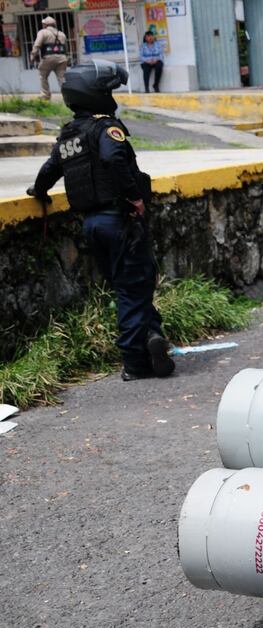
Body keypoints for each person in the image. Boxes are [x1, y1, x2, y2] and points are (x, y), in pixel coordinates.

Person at [27, 60, 175, 382]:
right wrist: (134, 198)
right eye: (107, 90)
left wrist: (38, 192)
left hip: (92, 225)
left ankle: (151, 335)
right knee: (133, 286)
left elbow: (49, 171)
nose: (111, 95)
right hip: (119, 220)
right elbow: (112, 158)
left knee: (129, 286)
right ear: (95, 95)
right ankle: (135, 363)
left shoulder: (69, 134)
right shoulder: (106, 127)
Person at [30, 17, 69, 102]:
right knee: (62, 78)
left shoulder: (43, 32)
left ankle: (45, 96)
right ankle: (67, 97)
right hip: (62, 58)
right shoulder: (62, 34)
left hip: (48, 58)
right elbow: (65, 48)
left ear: (45, 25)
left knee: (43, 75)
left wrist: (33, 56)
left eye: (43, 24)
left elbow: (37, 45)